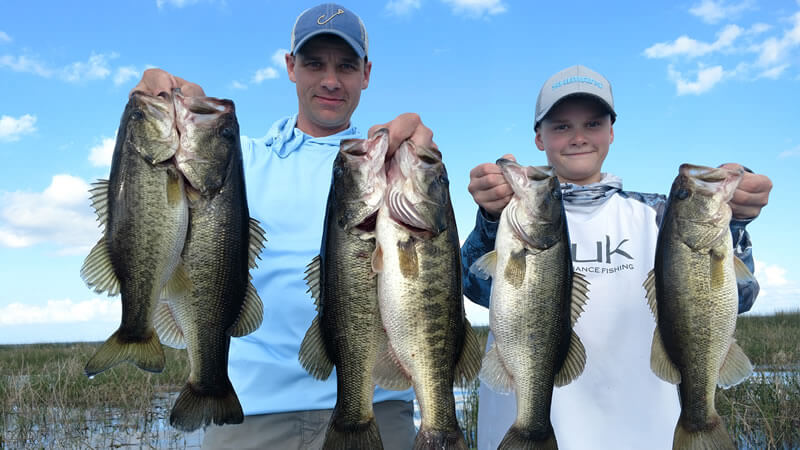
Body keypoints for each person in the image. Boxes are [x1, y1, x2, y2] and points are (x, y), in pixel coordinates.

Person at [132, 4, 432, 449]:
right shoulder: (238, 157)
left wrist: (419, 161)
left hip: (377, 406)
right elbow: (165, 183)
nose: (331, 80)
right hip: (249, 413)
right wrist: (169, 102)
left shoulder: (386, 167)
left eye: (346, 66)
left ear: (366, 74)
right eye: (314, 63)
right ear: (291, 67)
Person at [461, 64, 772, 449]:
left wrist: (737, 218)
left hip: (645, 435)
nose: (578, 137)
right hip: (523, 432)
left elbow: (738, 298)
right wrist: (491, 219)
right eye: (561, 126)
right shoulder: (509, 217)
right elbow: (474, 287)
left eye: (592, 124)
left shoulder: (662, 215)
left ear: (611, 132)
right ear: (538, 138)